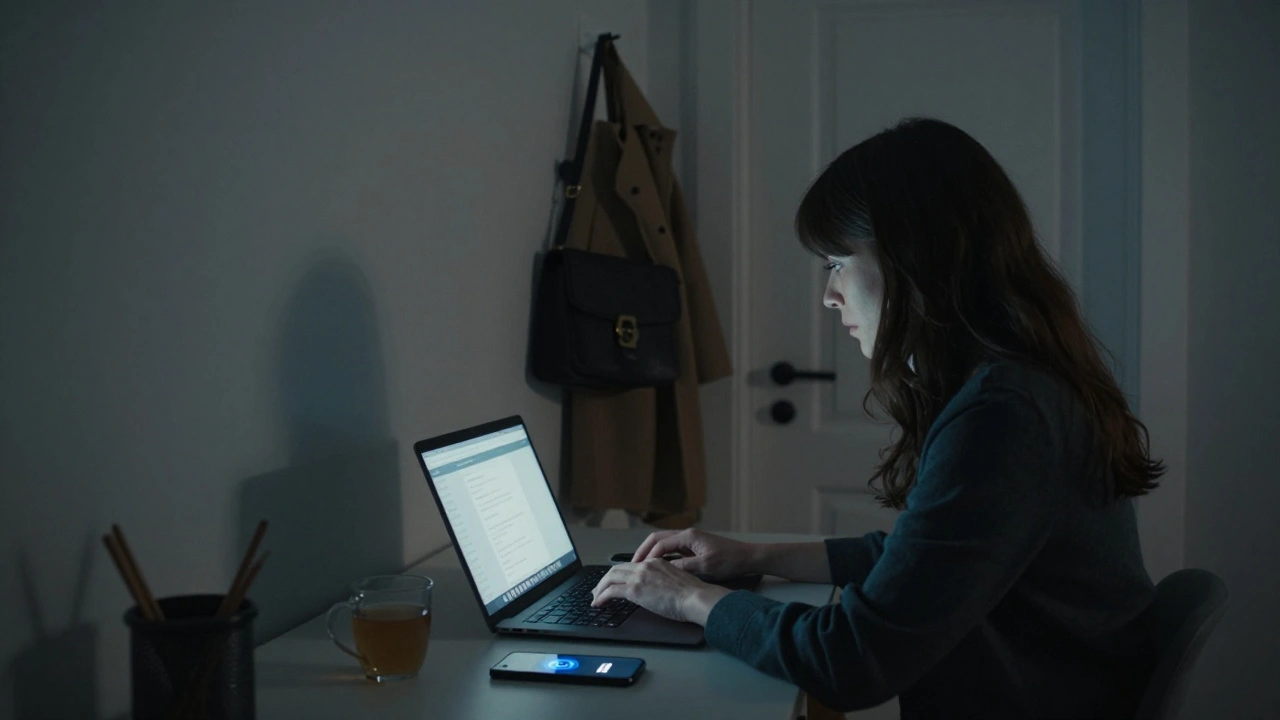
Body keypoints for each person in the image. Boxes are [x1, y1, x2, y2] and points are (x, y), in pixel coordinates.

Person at [590, 117, 1164, 718]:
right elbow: (925, 561)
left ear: (916, 258)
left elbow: (851, 661)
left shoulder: (1004, 416)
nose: (829, 295)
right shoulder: (1021, 384)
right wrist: (753, 557)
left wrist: (690, 600)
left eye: (838, 262)